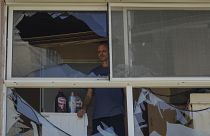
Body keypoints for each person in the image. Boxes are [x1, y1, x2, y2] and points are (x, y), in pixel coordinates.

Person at [77, 42, 125, 136]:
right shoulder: (94, 72)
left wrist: (128, 112)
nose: (101, 53)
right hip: (98, 116)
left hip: (116, 115)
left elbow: (126, 92)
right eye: (99, 52)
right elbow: (89, 94)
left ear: (109, 52)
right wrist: (84, 108)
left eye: (104, 51)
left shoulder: (118, 71)